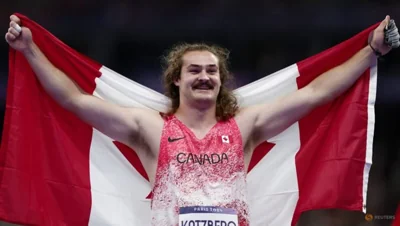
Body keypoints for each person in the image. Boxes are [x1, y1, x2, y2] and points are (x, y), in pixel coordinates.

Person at [4, 14, 397, 226]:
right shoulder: (150, 128)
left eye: (211, 70)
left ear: (221, 80)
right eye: (194, 70)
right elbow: (73, 99)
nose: (204, 76)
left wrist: (370, 52)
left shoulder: (245, 125)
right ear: (177, 79)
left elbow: (316, 94)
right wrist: (31, 50)